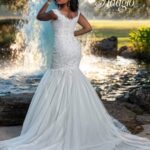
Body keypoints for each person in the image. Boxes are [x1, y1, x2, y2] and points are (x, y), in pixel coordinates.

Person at [0, 0, 150, 149]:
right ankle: (70, 122)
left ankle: (59, 123)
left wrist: (46, 3)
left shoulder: (54, 13)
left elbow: (39, 17)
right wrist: (73, 34)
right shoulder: (77, 13)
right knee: (71, 77)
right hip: (73, 47)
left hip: (62, 48)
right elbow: (88, 27)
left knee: (57, 76)